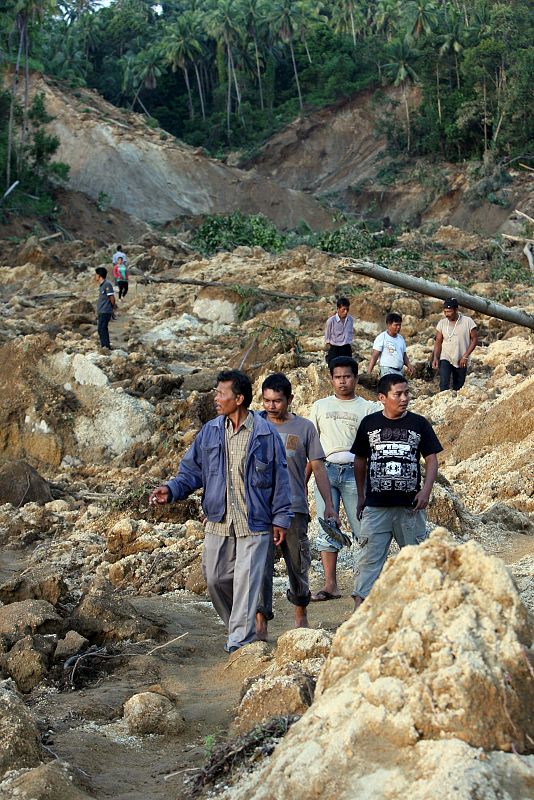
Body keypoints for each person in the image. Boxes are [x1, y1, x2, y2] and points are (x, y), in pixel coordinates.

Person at [148, 370, 292, 654]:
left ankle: (239, 641)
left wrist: (281, 518)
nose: (215, 398)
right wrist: (172, 489)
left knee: (246, 582)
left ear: (238, 399)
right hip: (218, 519)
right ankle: (240, 627)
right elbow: (192, 472)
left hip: (256, 522)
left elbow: (281, 479)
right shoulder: (211, 431)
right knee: (214, 578)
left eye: (220, 393)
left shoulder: (265, 434)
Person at [256, 373, 340, 639]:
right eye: (267, 400)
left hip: (294, 507)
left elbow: (318, 467)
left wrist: (329, 505)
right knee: (260, 565)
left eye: (277, 401)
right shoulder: (253, 425)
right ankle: (261, 622)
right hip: (259, 509)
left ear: (290, 399)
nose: (271, 406)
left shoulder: (304, 428)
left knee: (297, 561)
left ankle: (301, 613)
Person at [351, 373, 443, 608]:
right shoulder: (369, 424)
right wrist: (361, 496)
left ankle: (422, 607)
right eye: (398, 394)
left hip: (410, 507)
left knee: (416, 558)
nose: (404, 398)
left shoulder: (419, 424)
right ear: (383, 397)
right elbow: (360, 460)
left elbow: (432, 460)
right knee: (369, 559)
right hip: (376, 507)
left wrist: (426, 491)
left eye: (407, 393)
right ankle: (360, 611)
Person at [307, 356, 381, 604]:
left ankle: (365, 584)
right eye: (338, 377)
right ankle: (330, 584)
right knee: (327, 526)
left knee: (362, 527)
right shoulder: (320, 406)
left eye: (347, 376)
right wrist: (301, 481)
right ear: (331, 379)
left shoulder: (368, 408)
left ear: (356, 378)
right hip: (325, 470)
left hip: (355, 471)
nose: (342, 381)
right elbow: (311, 446)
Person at [432, 298, 478, 391]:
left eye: (449, 312)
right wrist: (436, 358)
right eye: (445, 312)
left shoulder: (468, 321)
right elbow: (438, 341)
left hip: (461, 358)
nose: (447, 314)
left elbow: (475, 339)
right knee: (444, 384)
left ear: (456, 310)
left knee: (459, 386)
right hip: (446, 356)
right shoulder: (442, 323)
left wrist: (465, 356)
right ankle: (443, 403)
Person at [368, 312, 413, 378]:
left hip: (399, 371)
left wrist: (409, 365)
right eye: (396, 325)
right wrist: (369, 373)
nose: (398, 327)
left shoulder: (401, 339)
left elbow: (404, 355)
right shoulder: (382, 337)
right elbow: (375, 356)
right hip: (387, 370)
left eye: (399, 325)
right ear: (389, 325)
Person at [324, 297, 354, 366]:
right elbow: (327, 338)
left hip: (346, 348)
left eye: (347, 309)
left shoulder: (350, 320)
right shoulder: (331, 321)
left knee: (348, 368)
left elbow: (350, 333)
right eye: (343, 310)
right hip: (335, 348)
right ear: (338, 309)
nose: (345, 312)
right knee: (334, 367)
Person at [94, 267, 116, 350]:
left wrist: (112, 309)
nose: (95, 276)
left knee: (102, 329)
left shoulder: (107, 284)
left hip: (105, 311)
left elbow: (112, 298)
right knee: (102, 329)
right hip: (102, 311)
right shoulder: (102, 285)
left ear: (99, 276)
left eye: (96, 275)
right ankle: (105, 346)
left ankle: (105, 347)